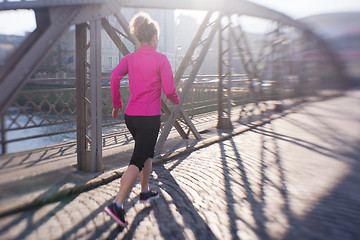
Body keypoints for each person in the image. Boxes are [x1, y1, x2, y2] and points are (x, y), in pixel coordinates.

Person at [104, 12, 180, 227]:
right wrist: (176, 98)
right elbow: (169, 89)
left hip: (131, 116)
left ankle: (145, 191)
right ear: (155, 37)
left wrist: (117, 103)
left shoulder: (129, 59)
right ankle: (117, 204)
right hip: (149, 118)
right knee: (137, 160)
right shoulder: (161, 59)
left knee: (145, 151)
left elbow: (114, 77)